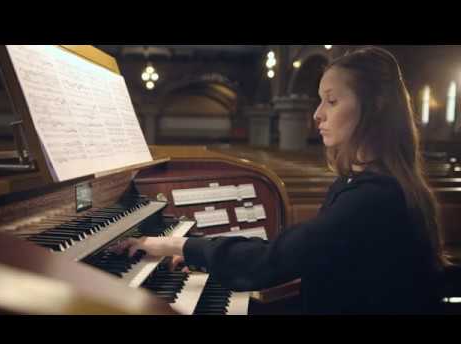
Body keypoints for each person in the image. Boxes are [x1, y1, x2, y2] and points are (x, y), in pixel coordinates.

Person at [113, 46, 450, 314]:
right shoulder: (364, 183)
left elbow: (272, 262)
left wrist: (176, 244)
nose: (317, 113)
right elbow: (297, 253)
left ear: (373, 109)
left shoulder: (373, 198)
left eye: (331, 101)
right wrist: (202, 252)